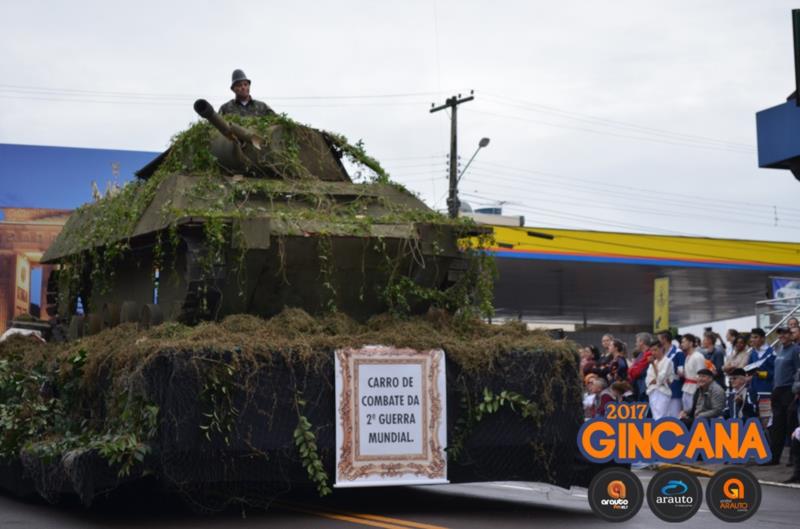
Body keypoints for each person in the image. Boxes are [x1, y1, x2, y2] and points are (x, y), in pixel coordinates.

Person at [766, 328, 800, 465]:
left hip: (789, 390)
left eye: (785, 333)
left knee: (791, 425)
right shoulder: (779, 350)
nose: (782, 336)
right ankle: (774, 458)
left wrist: (796, 391)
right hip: (778, 391)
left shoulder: (795, 350)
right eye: (780, 334)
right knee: (777, 426)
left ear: (791, 335)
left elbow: (798, 371)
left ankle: (793, 459)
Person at [646, 340, 675, 419]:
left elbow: (661, 379)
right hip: (652, 391)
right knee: (655, 416)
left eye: (655, 350)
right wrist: (654, 381)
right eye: (651, 350)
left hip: (662, 391)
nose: (653, 353)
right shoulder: (653, 362)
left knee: (661, 416)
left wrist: (654, 366)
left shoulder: (668, 361)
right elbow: (648, 379)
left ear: (661, 348)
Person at [659, 330, 684, 417]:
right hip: (662, 389)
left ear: (664, 339)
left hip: (674, 388)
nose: (658, 341)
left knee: (674, 414)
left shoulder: (678, 352)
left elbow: (681, 371)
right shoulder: (661, 353)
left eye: (659, 339)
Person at [681, 333, 707, 412]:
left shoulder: (698, 356)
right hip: (686, 388)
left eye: (684, 342)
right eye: (681, 342)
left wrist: (700, 392)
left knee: (694, 412)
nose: (682, 344)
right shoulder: (688, 356)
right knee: (686, 412)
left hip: (695, 389)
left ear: (691, 343)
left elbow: (702, 375)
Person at [747, 328, 775, 396]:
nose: (752, 340)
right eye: (752, 337)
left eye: (755, 337)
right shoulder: (753, 352)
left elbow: (774, 374)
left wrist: (760, 374)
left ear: (763, 338)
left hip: (766, 390)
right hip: (754, 390)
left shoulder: (771, 353)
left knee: (765, 407)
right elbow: (749, 369)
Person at [628, 332, 653, 401]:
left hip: (644, 386)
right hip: (638, 386)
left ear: (641, 342)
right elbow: (631, 370)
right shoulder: (641, 354)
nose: (636, 344)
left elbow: (637, 371)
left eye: (637, 341)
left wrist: (631, 370)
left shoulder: (649, 353)